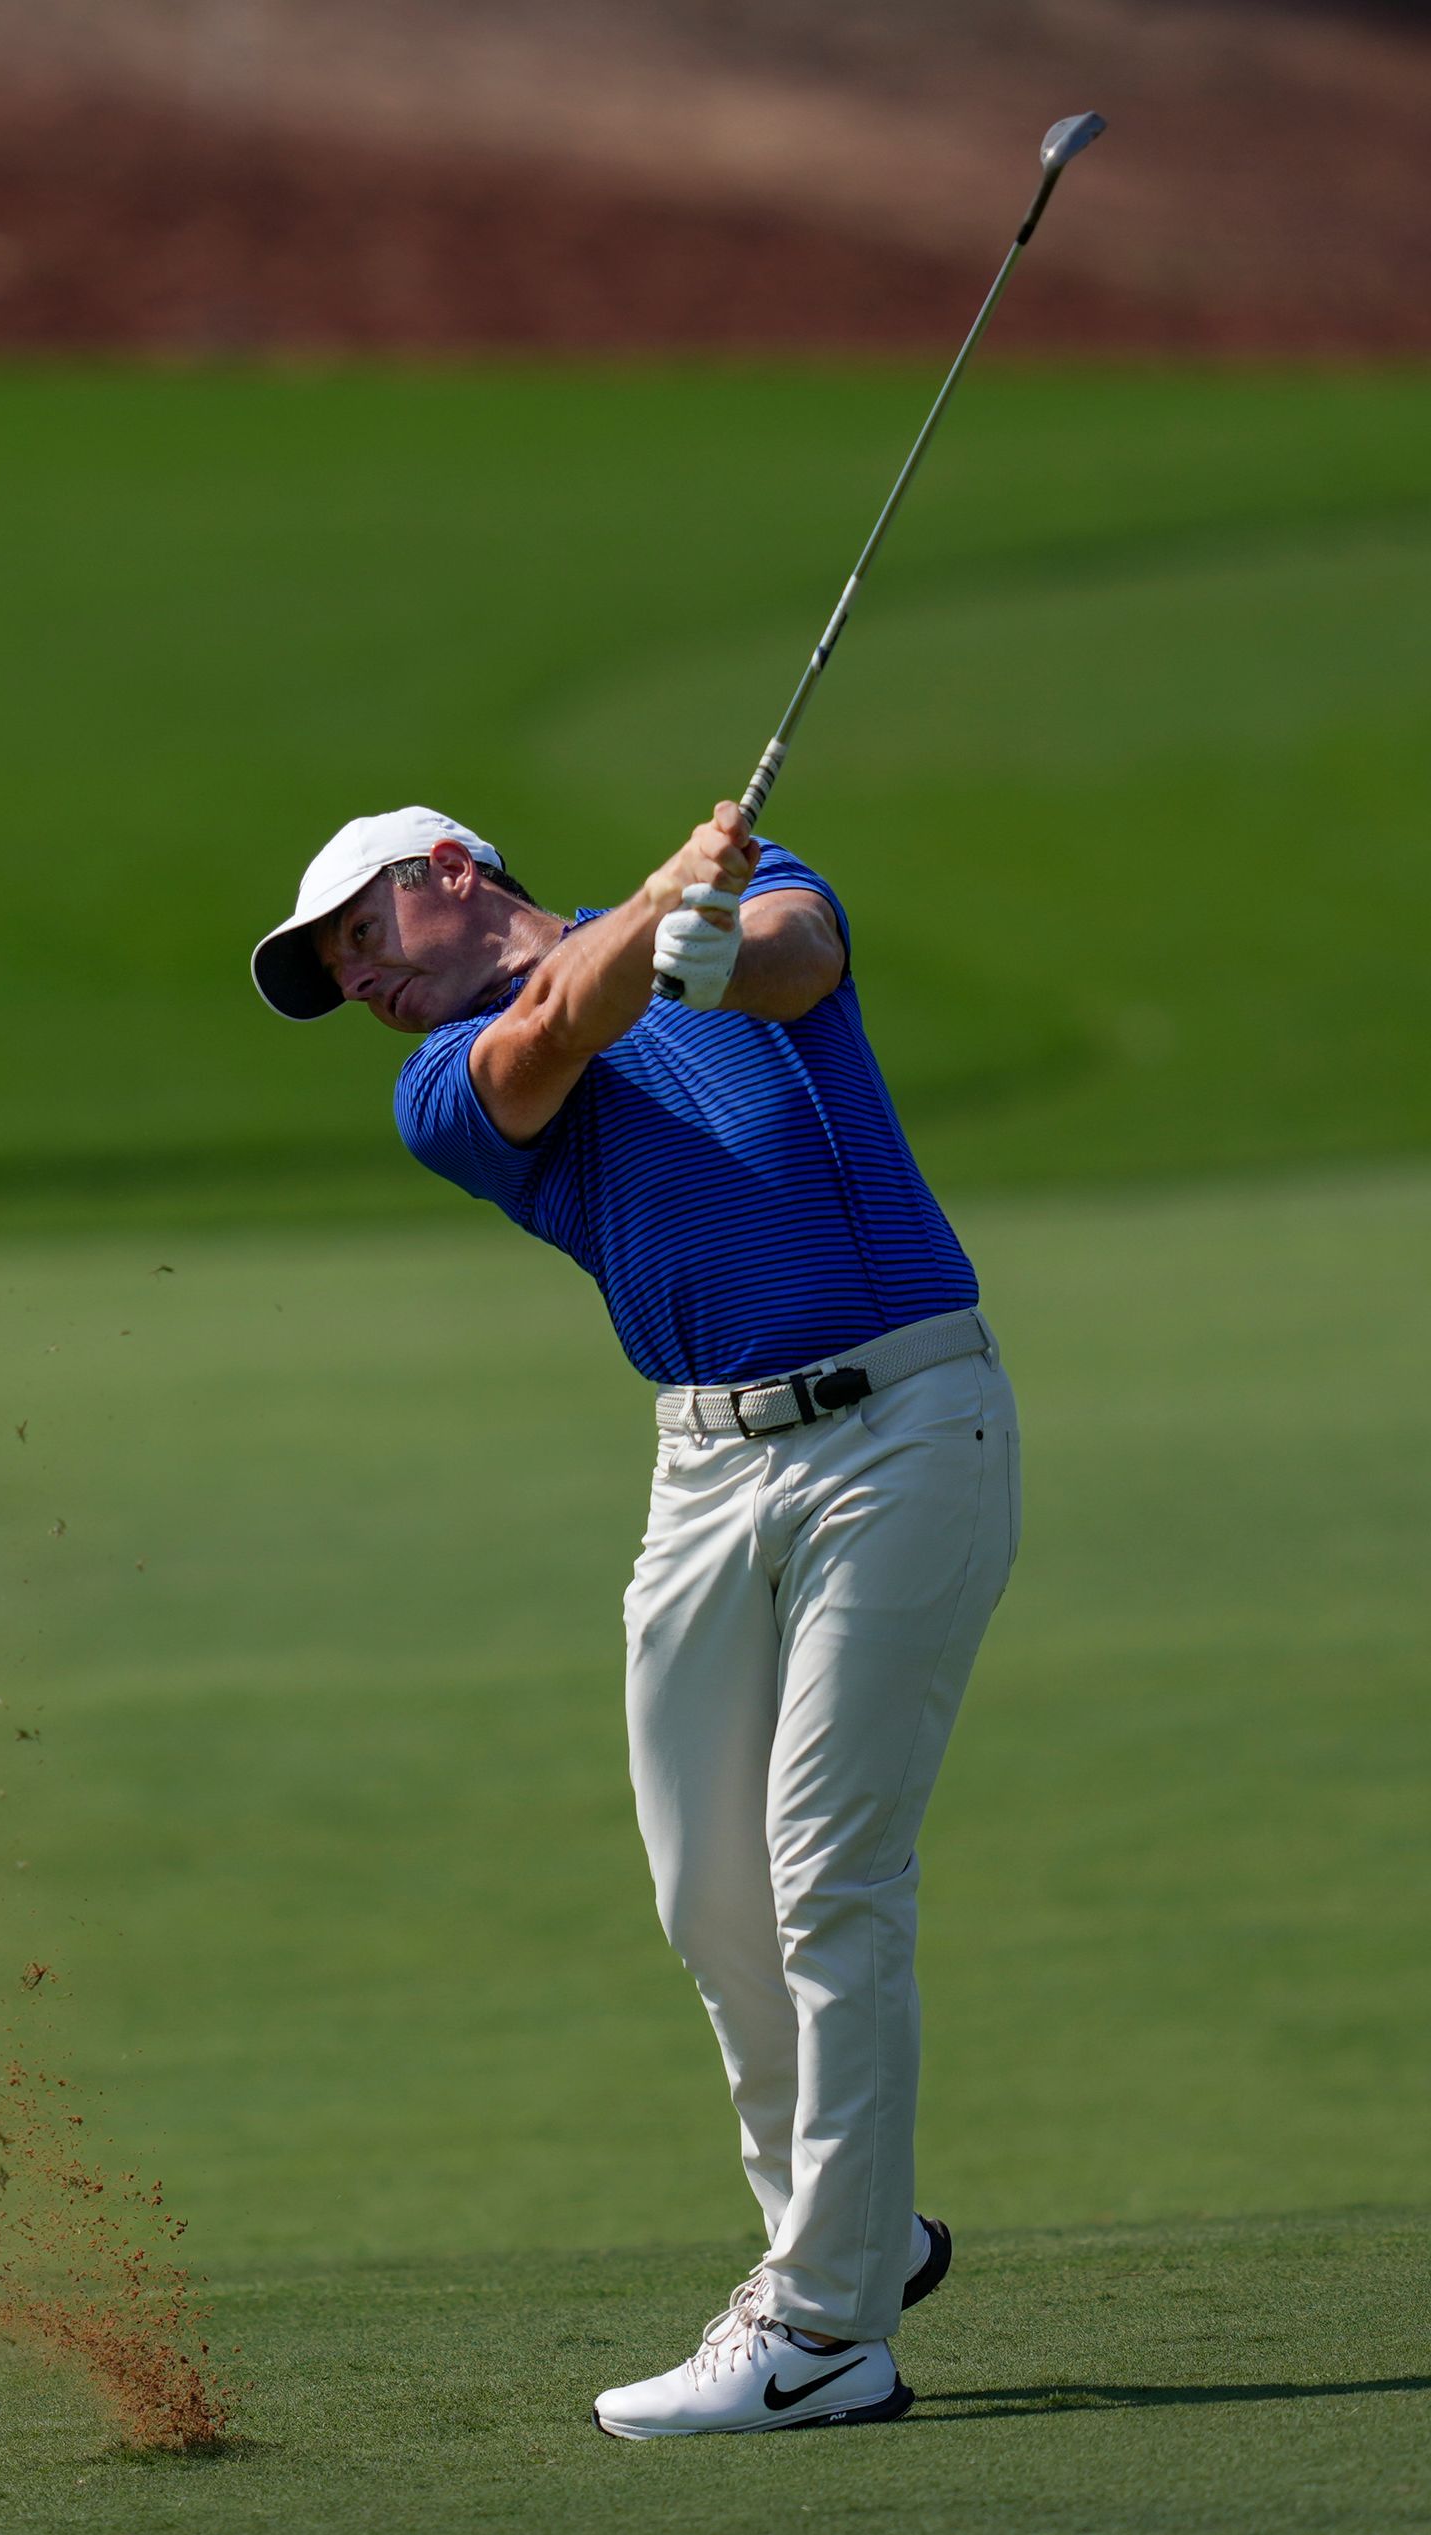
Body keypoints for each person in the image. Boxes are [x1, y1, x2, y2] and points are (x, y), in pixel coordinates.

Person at [247, 800, 1021, 2437]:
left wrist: (713, 941)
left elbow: (801, 961)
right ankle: (862, 2233)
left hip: (900, 1427)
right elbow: (552, 1030)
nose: (359, 981)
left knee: (827, 1872)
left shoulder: (756, 895)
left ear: (448, 872)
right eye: (333, 971)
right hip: (699, 1473)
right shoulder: (441, 1092)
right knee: (708, 1898)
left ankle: (822, 2327)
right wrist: (667, 906)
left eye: (360, 936)